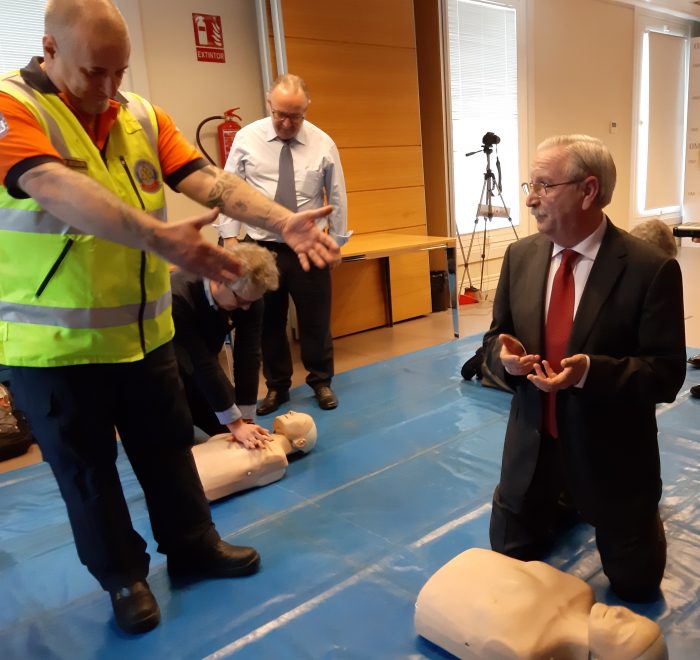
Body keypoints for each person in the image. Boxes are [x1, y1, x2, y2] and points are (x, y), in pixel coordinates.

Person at [0, 0, 340, 635]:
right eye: (93, 72)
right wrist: (158, 240)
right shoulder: (13, 107)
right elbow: (54, 187)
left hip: (145, 334)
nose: (108, 90)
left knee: (169, 454)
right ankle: (124, 578)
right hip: (54, 349)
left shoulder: (140, 114)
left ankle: (192, 547)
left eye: (120, 72)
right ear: (49, 49)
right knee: (89, 475)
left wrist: (280, 221)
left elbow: (207, 180)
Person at [482, 134, 686, 603]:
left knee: (637, 587)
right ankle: (559, 502)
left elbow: (666, 374)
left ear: (588, 190)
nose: (530, 198)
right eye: (528, 185)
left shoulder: (648, 270)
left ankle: (587, 505)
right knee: (508, 568)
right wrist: (505, 360)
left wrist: (592, 371)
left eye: (544, 185)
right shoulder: (521, 257)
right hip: (532, 452)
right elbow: (495, 339)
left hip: (612, 459)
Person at [216, 73, 350, 415]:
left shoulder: (323, 143)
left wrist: (335, 243)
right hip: (263, 245)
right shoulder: (248, 139)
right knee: (268, 321)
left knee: (316, 320)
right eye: (280, 114)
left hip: (309, 245)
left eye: (295, 116)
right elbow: (230, 189)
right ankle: (277, 387)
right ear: (268, 103)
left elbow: (336, 195)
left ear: (306, 110)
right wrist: (230, 238)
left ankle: (321, 381)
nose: (287, 123)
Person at [414, 547, 668, 660]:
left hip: (435, 601)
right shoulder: (579, 590)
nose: (623, 615)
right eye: (636, 618)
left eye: (625, 634)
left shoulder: (526, 649)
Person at [171, 241, 278, 448]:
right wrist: (235, 423)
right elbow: (200, 362)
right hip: (159, 374)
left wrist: (245, 419)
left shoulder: (249, 295)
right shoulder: (178, 296)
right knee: (177, 445)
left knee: (231, 435)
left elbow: (248, 355)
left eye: (252, 302)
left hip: (199, 369)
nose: (246, 308)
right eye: (240, 302)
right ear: (219, 279)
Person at [193, 410, 317, 501]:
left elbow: (229, 474)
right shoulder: (253, 434)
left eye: (301, 419)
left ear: (300, 442)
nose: (291, 411)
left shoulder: (275, 457)